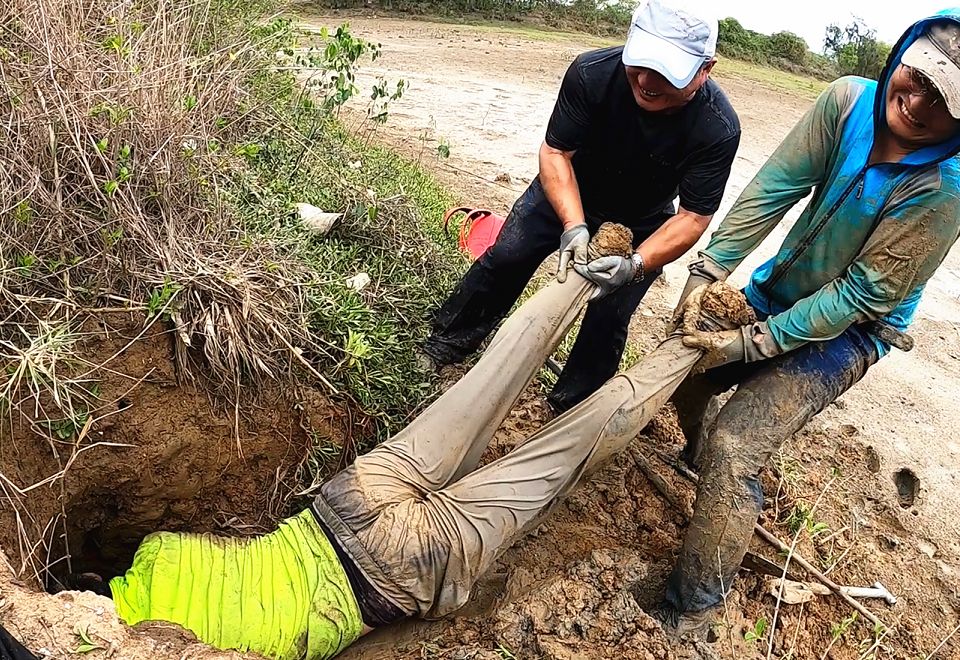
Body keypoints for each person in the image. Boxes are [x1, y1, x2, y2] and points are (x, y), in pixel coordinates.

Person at [103, 253, 750, 660]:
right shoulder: (155, 558)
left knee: (559, 457)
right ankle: (584, 272)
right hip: (344, 502)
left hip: (393, 575)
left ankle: (691, 343)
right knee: (486, 381)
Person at [657, 8, 960, 628]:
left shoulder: (943, 192)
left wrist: (752, 344)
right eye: (918, 75)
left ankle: (696, 609)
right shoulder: (847, 104)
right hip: (782, 289)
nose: (919, 100)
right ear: (901, 54)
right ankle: (692, 460)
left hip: (850, 334)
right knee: (687, 365)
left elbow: (857, 298)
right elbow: (774, 187)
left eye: (946, 100)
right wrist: (707, 274)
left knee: (739, 442)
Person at [421, 0, 740, 414]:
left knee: (611, 313)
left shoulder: (717, 126)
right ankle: (445, 342)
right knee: (508, 255)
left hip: (643, 219)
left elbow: (693, 217)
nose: (645, 80)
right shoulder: (592, 74)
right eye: (640, 62)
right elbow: (556, 153)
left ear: (705, 69)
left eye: (665, 72)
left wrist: (637, 264)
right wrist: (572, 224)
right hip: (568, 186)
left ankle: (571, 405)